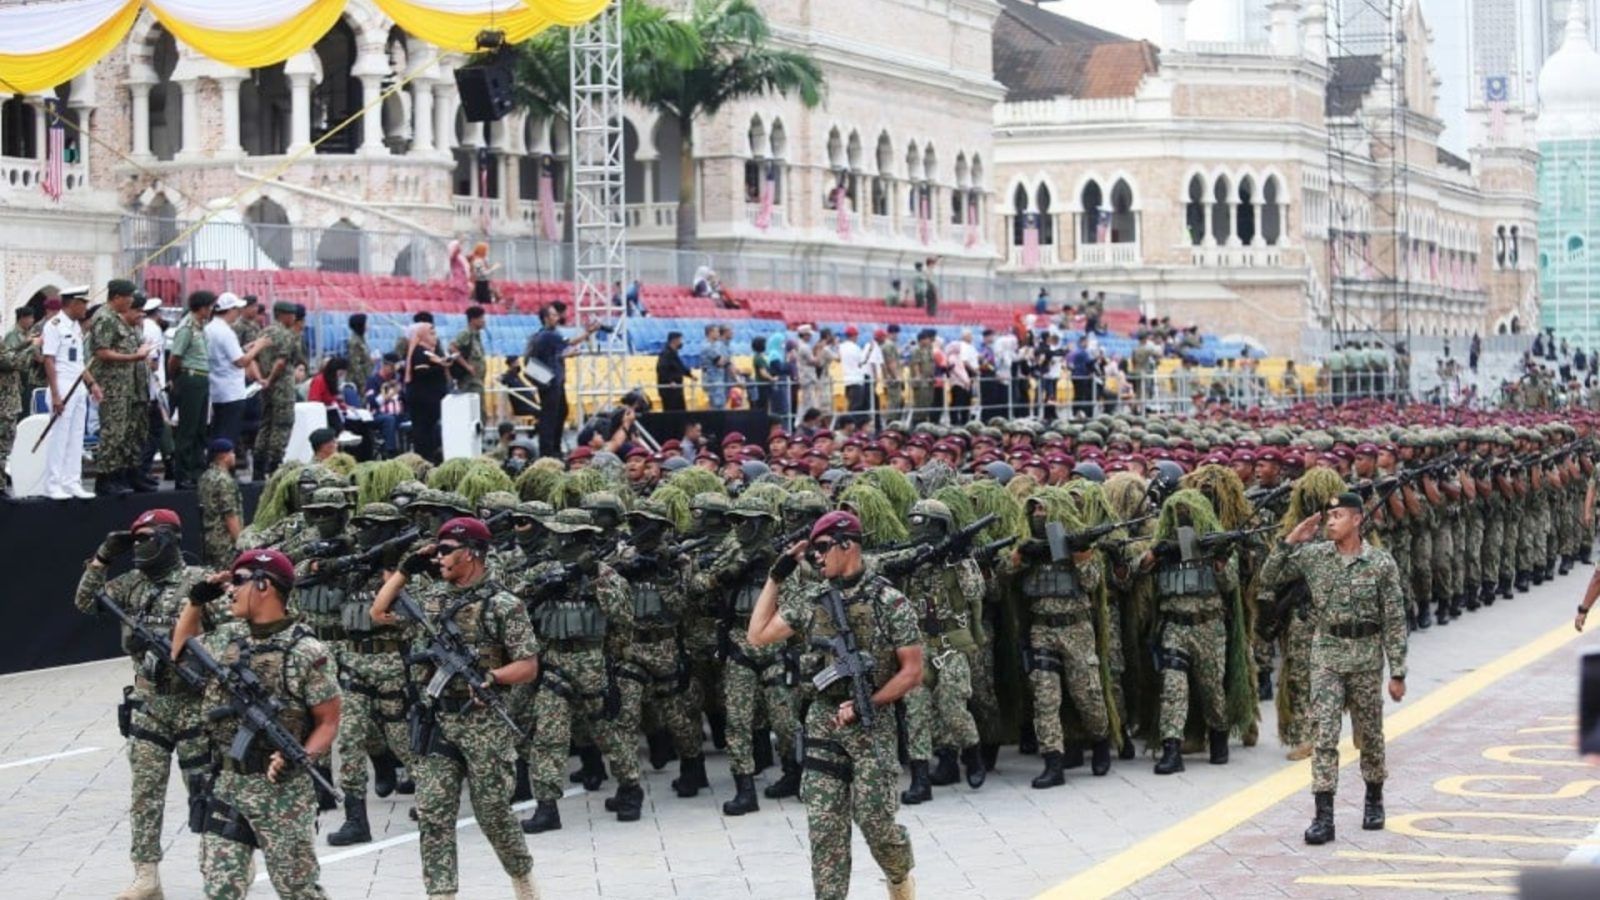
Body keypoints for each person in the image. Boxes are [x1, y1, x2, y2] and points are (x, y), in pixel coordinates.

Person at [748, 511, 920, 900]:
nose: (817, 558)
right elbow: (757, 635)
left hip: (872, 723)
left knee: (875, 821)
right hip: (824, 719)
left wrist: (866, 705)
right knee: (824, 827)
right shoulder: (813, 601)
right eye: (813, 552)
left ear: (848, 544)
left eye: (823, 548)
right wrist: (777, 577)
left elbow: (911, 672)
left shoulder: (889, 602)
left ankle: (899, 877)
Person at [372, 518, 542, 899]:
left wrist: (494, 678)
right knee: (433, 815)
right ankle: (442, 893)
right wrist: (407, 569)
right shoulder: (431, 598)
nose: (440, 557)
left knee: (494, 814)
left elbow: (528, 665)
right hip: (437, 720)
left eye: (446, 549)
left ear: (472, 553)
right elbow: (379, 612)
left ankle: (524, 882)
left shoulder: (503, 604)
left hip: (482, 721)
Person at [169, 548, 340, 899]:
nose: (231, 590)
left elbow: (328, 721)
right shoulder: (227, 637)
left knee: (298, 890)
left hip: (281, 791)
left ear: (265, 585)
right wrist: (196, 601)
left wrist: (301, 755)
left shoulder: (307, 651)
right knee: (220, 890)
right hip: (228, 783)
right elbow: (179, 654)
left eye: (239, 582)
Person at [75, 508, 216, 900]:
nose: (140, 546)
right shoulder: (131, 584)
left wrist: (193, 651)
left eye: (147, 538)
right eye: (134, 540)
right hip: (149, 701)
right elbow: (85, 601)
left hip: (192, 702)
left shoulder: (198, 581)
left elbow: (234, 632)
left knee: (203, 788)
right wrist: (103, 556)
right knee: (145, 793)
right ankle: (146, 876)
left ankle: (219, 863)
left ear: (170, 538)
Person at [1263, 492, 1407, 846]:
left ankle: (1374, 799)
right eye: (1328, 516)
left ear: (1357, 520)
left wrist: (1398, 671)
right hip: (1326, 654)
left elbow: (1394, 618)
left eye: (1338, 515)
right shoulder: (1315, 557)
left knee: (1370, 734)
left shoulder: (1380, 563)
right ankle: (1322, 816)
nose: (1330, 521)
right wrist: (1291, 540)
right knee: (1324, 734)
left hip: (1365, 657)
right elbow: (1269, 576)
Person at [87, 280, 155, 496]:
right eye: (129, 297)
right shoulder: (105, 318)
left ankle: (123, 475)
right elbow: (102, 352)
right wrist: (135, 356)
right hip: (113, 385)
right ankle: (104, 478)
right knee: (113, 433)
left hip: (129, 385)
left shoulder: (121, 321)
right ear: (117, 297)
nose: (131, 301)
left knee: (129, 433)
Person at [41, 291, 102, 500]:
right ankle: (53, 484)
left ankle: (72, 481)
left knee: (76, 436)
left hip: (77, 386)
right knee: (59, 437)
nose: (85, 309)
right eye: (83, 304)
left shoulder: (75, 326)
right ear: (73, 304)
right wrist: (56, 394)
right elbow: (49, 360)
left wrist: (91, 383)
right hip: (62, 384)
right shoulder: (54, 325)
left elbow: (78, 363)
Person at [523, 303, 599, 459]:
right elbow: (570, 341)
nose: (557, 318)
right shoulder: (548, 335)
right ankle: (548, 450)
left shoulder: (545, 335)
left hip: (553, 380)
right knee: (550, 416)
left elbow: (553, 355)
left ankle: (554, 447)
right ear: (545, 318)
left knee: (560, 412)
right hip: (550, 381)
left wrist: (567, 356)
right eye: (553, 315)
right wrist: (588, 332)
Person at [253, 301, 306, 481]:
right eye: (291, 315)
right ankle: (274, 467)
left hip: (265, 386)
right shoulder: (286, 334)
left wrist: (262, 378)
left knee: (266, 425)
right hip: (282, 386)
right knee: (282, 426)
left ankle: (258, 468)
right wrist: (271, 379)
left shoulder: (264, 332)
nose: (294, 318)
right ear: (284, 315)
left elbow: (254, 357)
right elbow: (282, 361)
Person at [205, 293, 265, 451]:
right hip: (230, 391)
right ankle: (223, 468)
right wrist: (259, 346)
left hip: (218, 388)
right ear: (229, 310)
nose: (238, 313)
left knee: (218, 432)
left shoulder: (210, 328)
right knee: (228, 433)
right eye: (236, 310)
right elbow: (241, 362)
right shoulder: (225, 332)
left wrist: (246, 348)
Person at [0, 306, 39, 496]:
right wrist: (33, 346)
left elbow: (9, 352)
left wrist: (26, 343)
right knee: (2, 445)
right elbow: (13, 362)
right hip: (4, 402)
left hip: (8, 398)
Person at [405, 324, 450, 462]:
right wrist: (441, 366)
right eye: (431, 333)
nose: (435, 337)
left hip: (432, 402)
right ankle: (423, 460)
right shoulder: (419, 352)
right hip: (423, 401)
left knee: (430, 431)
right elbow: (422, 373)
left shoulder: (432, 353)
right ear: (423, 336)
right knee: (423, 433)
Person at [197, 439, 244, 567]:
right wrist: (241, 543)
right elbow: (230, 515)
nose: (234, 456)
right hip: (225, 542)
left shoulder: (205, 476)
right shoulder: (224, 481)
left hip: (209, 540)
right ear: (224, 456)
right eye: (232, 452)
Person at [450, 306, 488, 397]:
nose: (484, 321)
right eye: (481, 318)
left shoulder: (476, 335)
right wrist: (467, 366)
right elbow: (452, 348)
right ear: (473, 320)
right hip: (470, 380)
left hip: (477, 379)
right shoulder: (466, 333)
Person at [656, 330, 692, 412]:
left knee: (680, 410)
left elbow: (680, 367)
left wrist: (689, 375)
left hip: (677, 389)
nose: (681, 342)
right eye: (680, 340)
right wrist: (670, 381)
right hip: (670, 390)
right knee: (672, 411)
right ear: (674, 340)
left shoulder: (674, 353)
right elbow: (661, 369)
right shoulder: (666, 354)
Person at [346, 314, 373, 391]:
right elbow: (355, 365)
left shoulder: (361, 339)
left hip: (365, 376)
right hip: (358, 382)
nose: (368, 325)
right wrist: (363, 383)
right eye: (366, 323)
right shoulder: (354, 342)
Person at [446, 239, 471, 304]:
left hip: (463, 281)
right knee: (458, 300)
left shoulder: (461, 257)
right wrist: (459, 243)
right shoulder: (453, 257)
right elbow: (455, 252)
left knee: (465, 299)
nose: (460, 247)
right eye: (457, 246)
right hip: (457, 281)